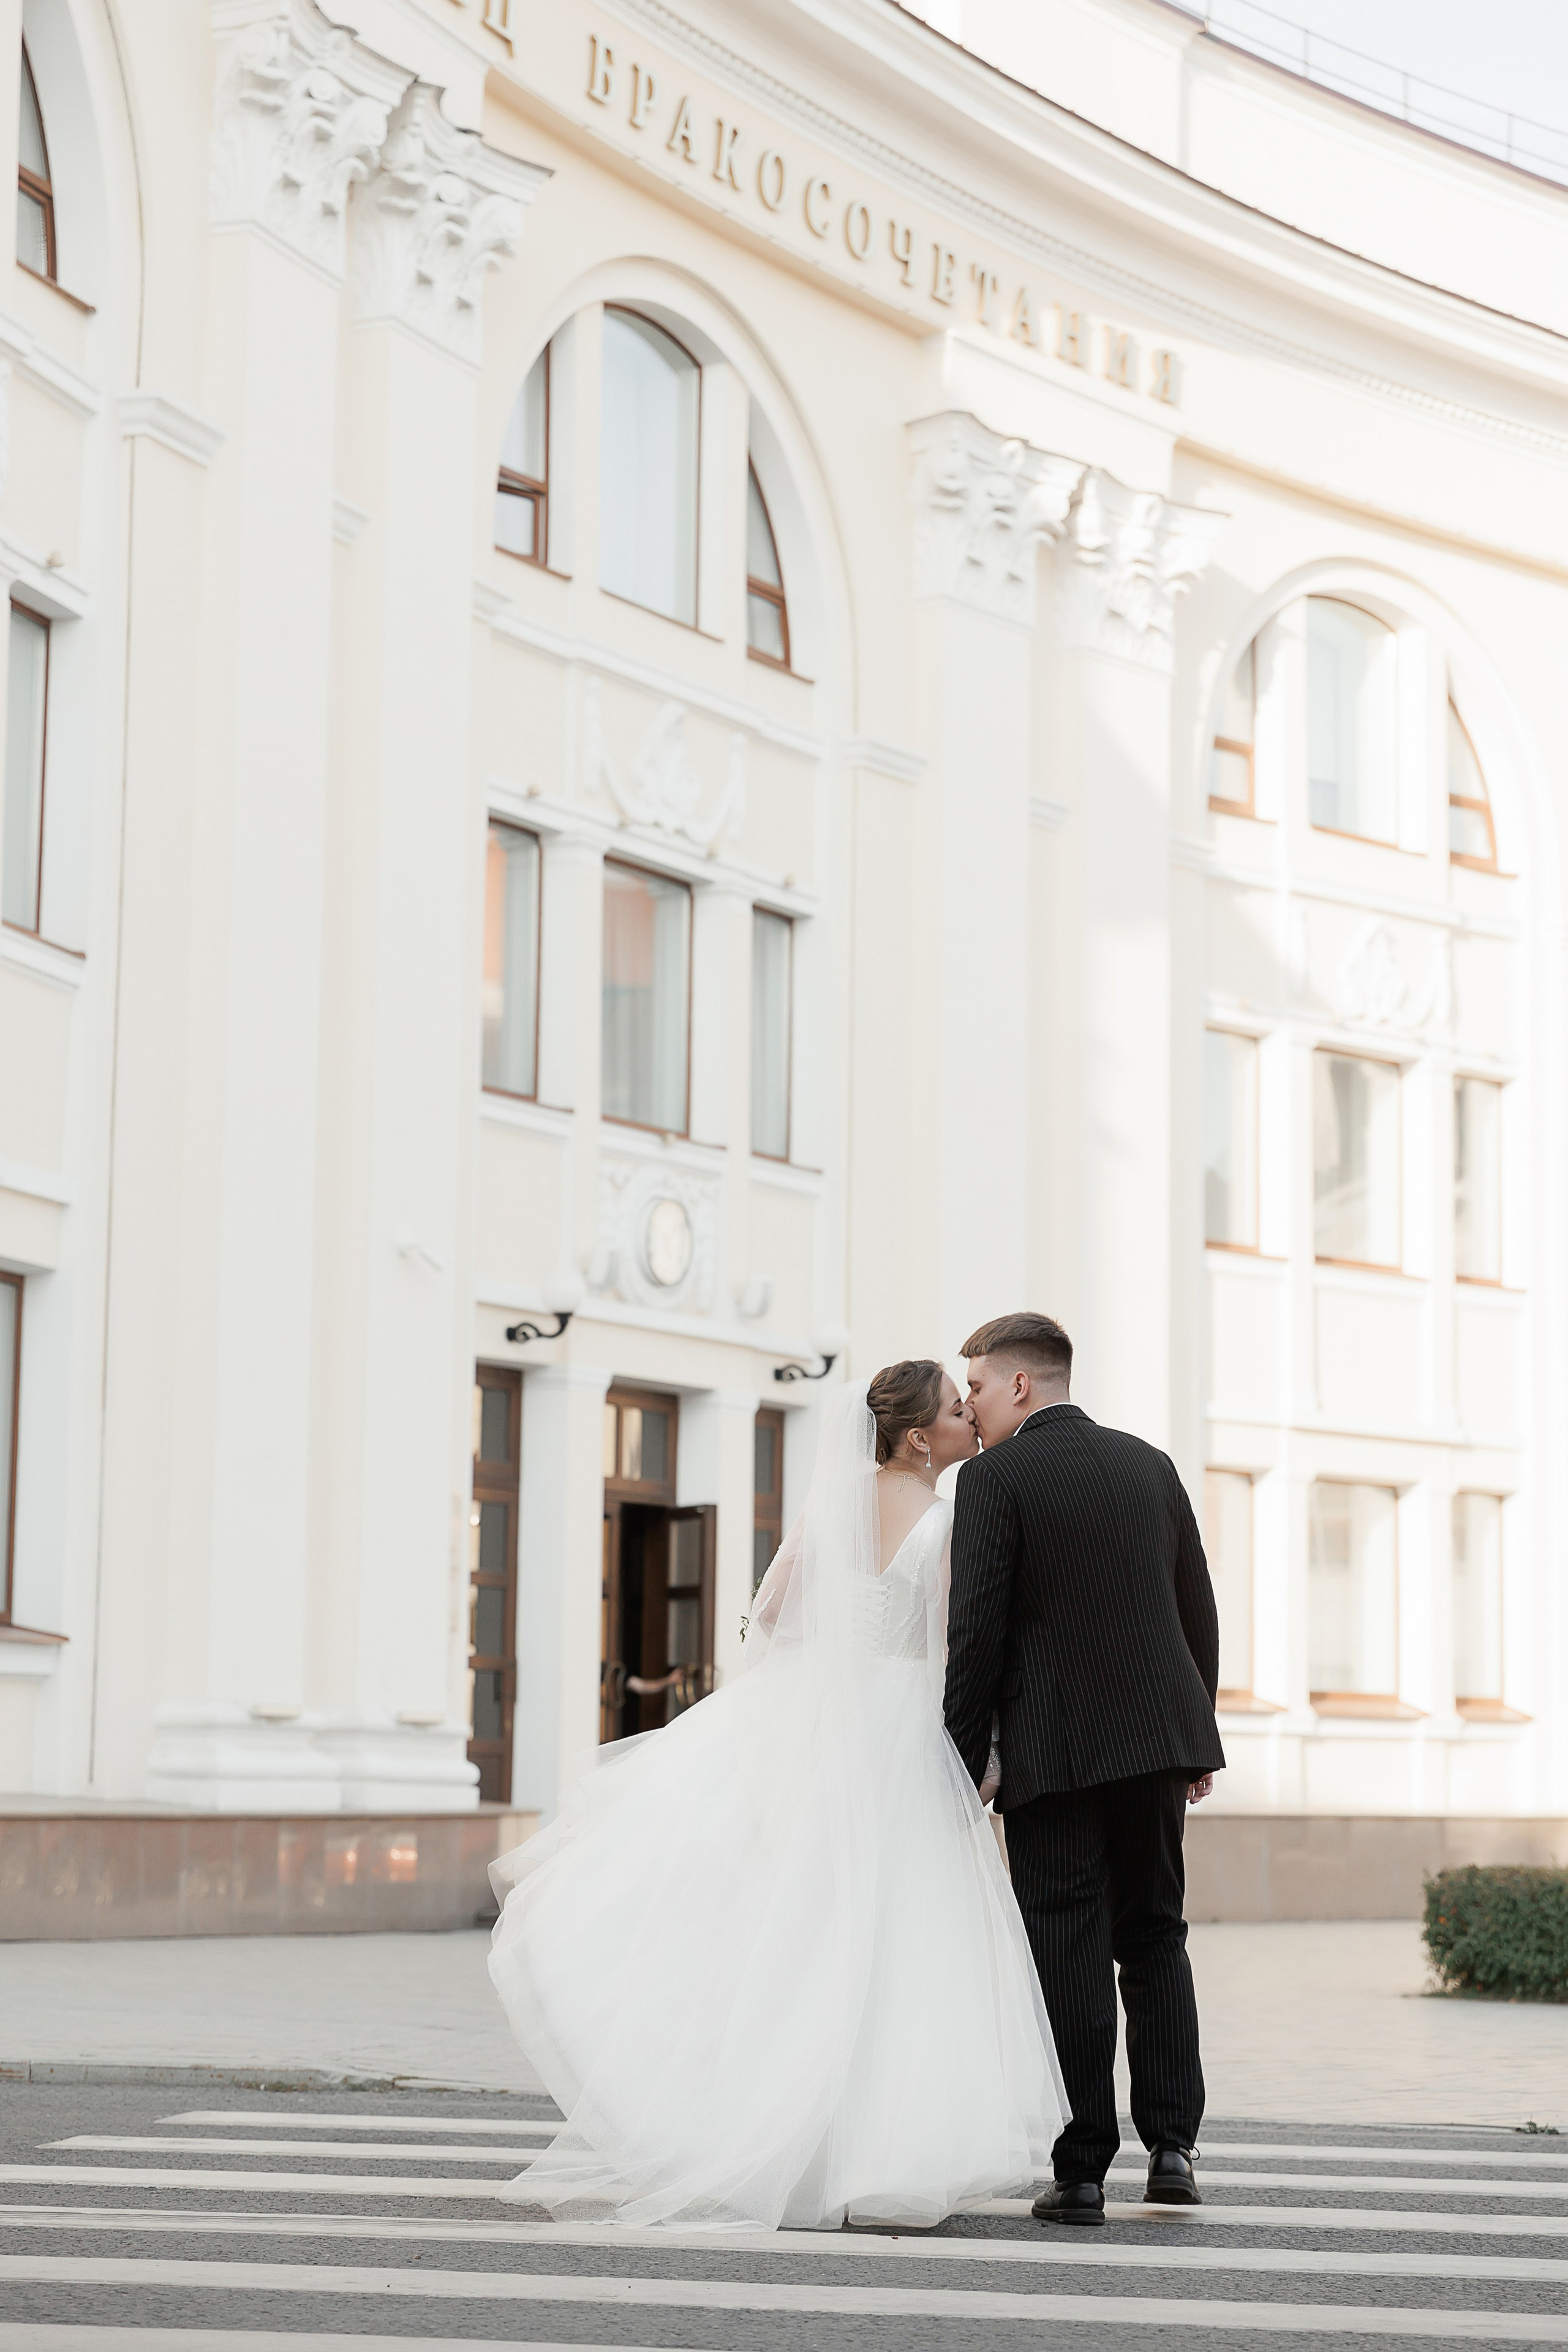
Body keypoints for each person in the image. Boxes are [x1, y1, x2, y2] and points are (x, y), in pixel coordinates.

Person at [488, 1363, 1066, 2230]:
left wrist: (787, 1716)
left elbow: (769, 1615)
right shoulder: (948, 1519)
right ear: (919, 1438)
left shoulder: (832, 1505)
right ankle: (873, 2153)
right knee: (897, 1936)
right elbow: (960, 1644)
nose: (970, 1419)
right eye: (956, 1409)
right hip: (905, 1725)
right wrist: (982, 1754)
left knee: (805, 1928)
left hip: (822, 1720)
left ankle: (778, 2134)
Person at [943, 1311, 1224, 2228]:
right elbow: (1196, 1606)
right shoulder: (1151, 1465)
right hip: (1156, 1741)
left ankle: (1083, 2171)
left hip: (1054, 1749)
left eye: (977, 1387)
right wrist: (1195, 1734)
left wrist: (959, 1755)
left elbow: (976, 1631)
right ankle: (1175, 2149)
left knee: (1067, 1949)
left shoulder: (994, 1480)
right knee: (1154, 1937)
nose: (971, 1406)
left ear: (1020, 1386)